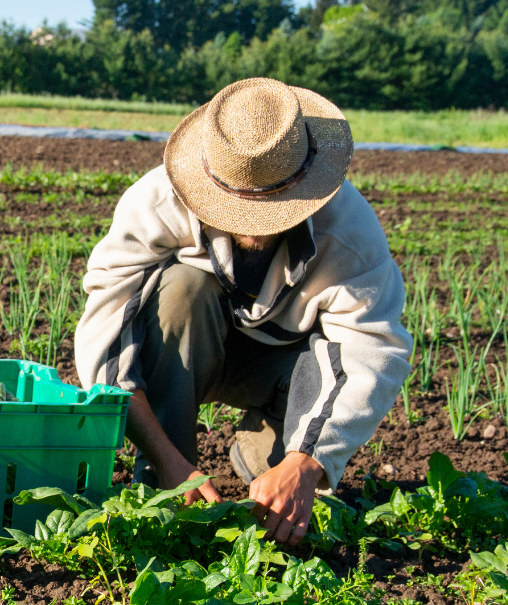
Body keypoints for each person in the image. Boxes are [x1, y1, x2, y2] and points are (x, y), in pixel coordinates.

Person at [74, 77, 412, 546]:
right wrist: (172, 465)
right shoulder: (156, 203)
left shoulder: (349, 233)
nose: (254, 225)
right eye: (238, 208)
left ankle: (264, 451)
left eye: (272, 207)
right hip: (189, 351)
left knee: (286, 500)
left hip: (281, 370)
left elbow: (372, 350)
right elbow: (106, 341)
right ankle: (163, 483)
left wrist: (305, 465)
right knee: (181, 290)